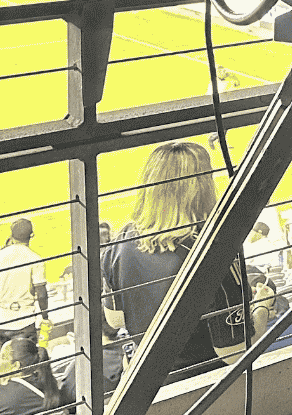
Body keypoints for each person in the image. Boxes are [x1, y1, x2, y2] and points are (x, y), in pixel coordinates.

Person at [105, 139, 249, 371]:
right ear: (203, 187)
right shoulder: (213, 249)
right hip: (200, 383)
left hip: (144, 384)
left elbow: (116, 319)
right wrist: (261, 309)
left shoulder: (122, 240)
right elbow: (234, 353)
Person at [0, 216, 48, 329]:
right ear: (31, 235)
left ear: (11, 235)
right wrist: (45, 317)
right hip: (26, 319)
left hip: (1, 320)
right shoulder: (35, 259)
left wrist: (0, 305)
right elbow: (41, 293)